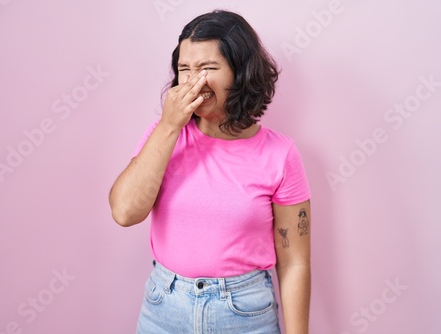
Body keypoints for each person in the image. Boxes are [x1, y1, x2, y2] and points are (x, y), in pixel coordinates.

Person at [109, 9, 311, 334]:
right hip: (164, 309)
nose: (193, 80)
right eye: (185, 69)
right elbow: (124, 212)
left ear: (240, 73)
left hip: (245, 314)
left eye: (207, 68)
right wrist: (169, 126)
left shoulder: (280, 154)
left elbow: (295, 262)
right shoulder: (164, 136)